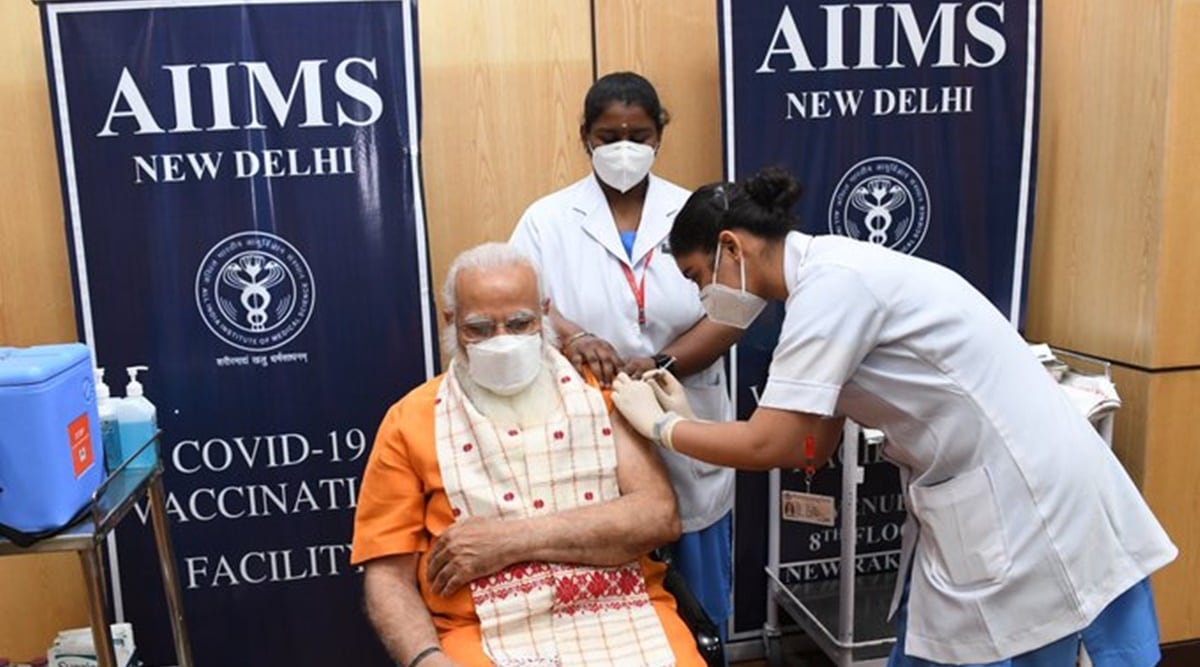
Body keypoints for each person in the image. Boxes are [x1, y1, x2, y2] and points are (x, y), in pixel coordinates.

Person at [610, 167, 1178, 667]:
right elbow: (814, 445)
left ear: (731, 248)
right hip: (996, 491)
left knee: (1010, 638)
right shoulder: (826, 281)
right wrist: (689, 416)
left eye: (695, 276)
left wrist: (666, 429)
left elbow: (774, 446)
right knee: (935, 639)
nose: (703, 296)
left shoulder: (832, 289)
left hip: (1023, 499)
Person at [351, 243, 705, 667]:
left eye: (519, 323)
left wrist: (507, 541)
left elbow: (657, 516)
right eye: (479, 329)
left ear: (544, 314)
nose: (502, 342)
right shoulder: (409, 420)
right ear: (450, 323)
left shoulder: (598, 393)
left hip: (624, 606)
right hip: (480, 632)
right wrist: (427, 658)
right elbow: (387, 576)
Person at [509, 72, 741, 638]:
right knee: (611, 608)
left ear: (660, 132)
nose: (623, 149)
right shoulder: (547, 220)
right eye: (608, 137)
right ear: (585, 135)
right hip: (592, 422)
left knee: (701, 606)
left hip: (686, 412)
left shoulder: (695, 210)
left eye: (637, 135)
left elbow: (734, 309)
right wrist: (572, 336)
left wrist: (664, 364)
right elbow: (523, 304)